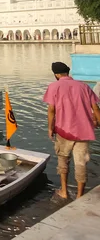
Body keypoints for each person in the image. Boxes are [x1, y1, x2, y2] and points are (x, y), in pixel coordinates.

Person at [43, 61, 100, 199]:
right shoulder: (84, 86)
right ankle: (80, 196)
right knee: (81, 163)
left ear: (56, 74)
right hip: (84, 131)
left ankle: (64, 191)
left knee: (63, 160)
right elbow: (96, 108)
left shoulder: (54, 86)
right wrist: (98, 121)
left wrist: (50, 128)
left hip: (63, 131)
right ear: (68, 72)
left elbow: (51, 110)